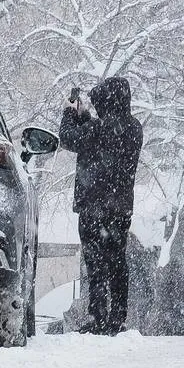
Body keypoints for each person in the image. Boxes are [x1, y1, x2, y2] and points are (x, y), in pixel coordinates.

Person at [59, 77, 143, 335]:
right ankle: (118, 316)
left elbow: (69, 138)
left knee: (95, 263)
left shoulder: (98, 129)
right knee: (117, 261)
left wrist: (69, 113)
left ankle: (99, 315)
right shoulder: (134, 128)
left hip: (93, 207)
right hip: (120, 208)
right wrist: (85, 119)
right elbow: (99, 137)